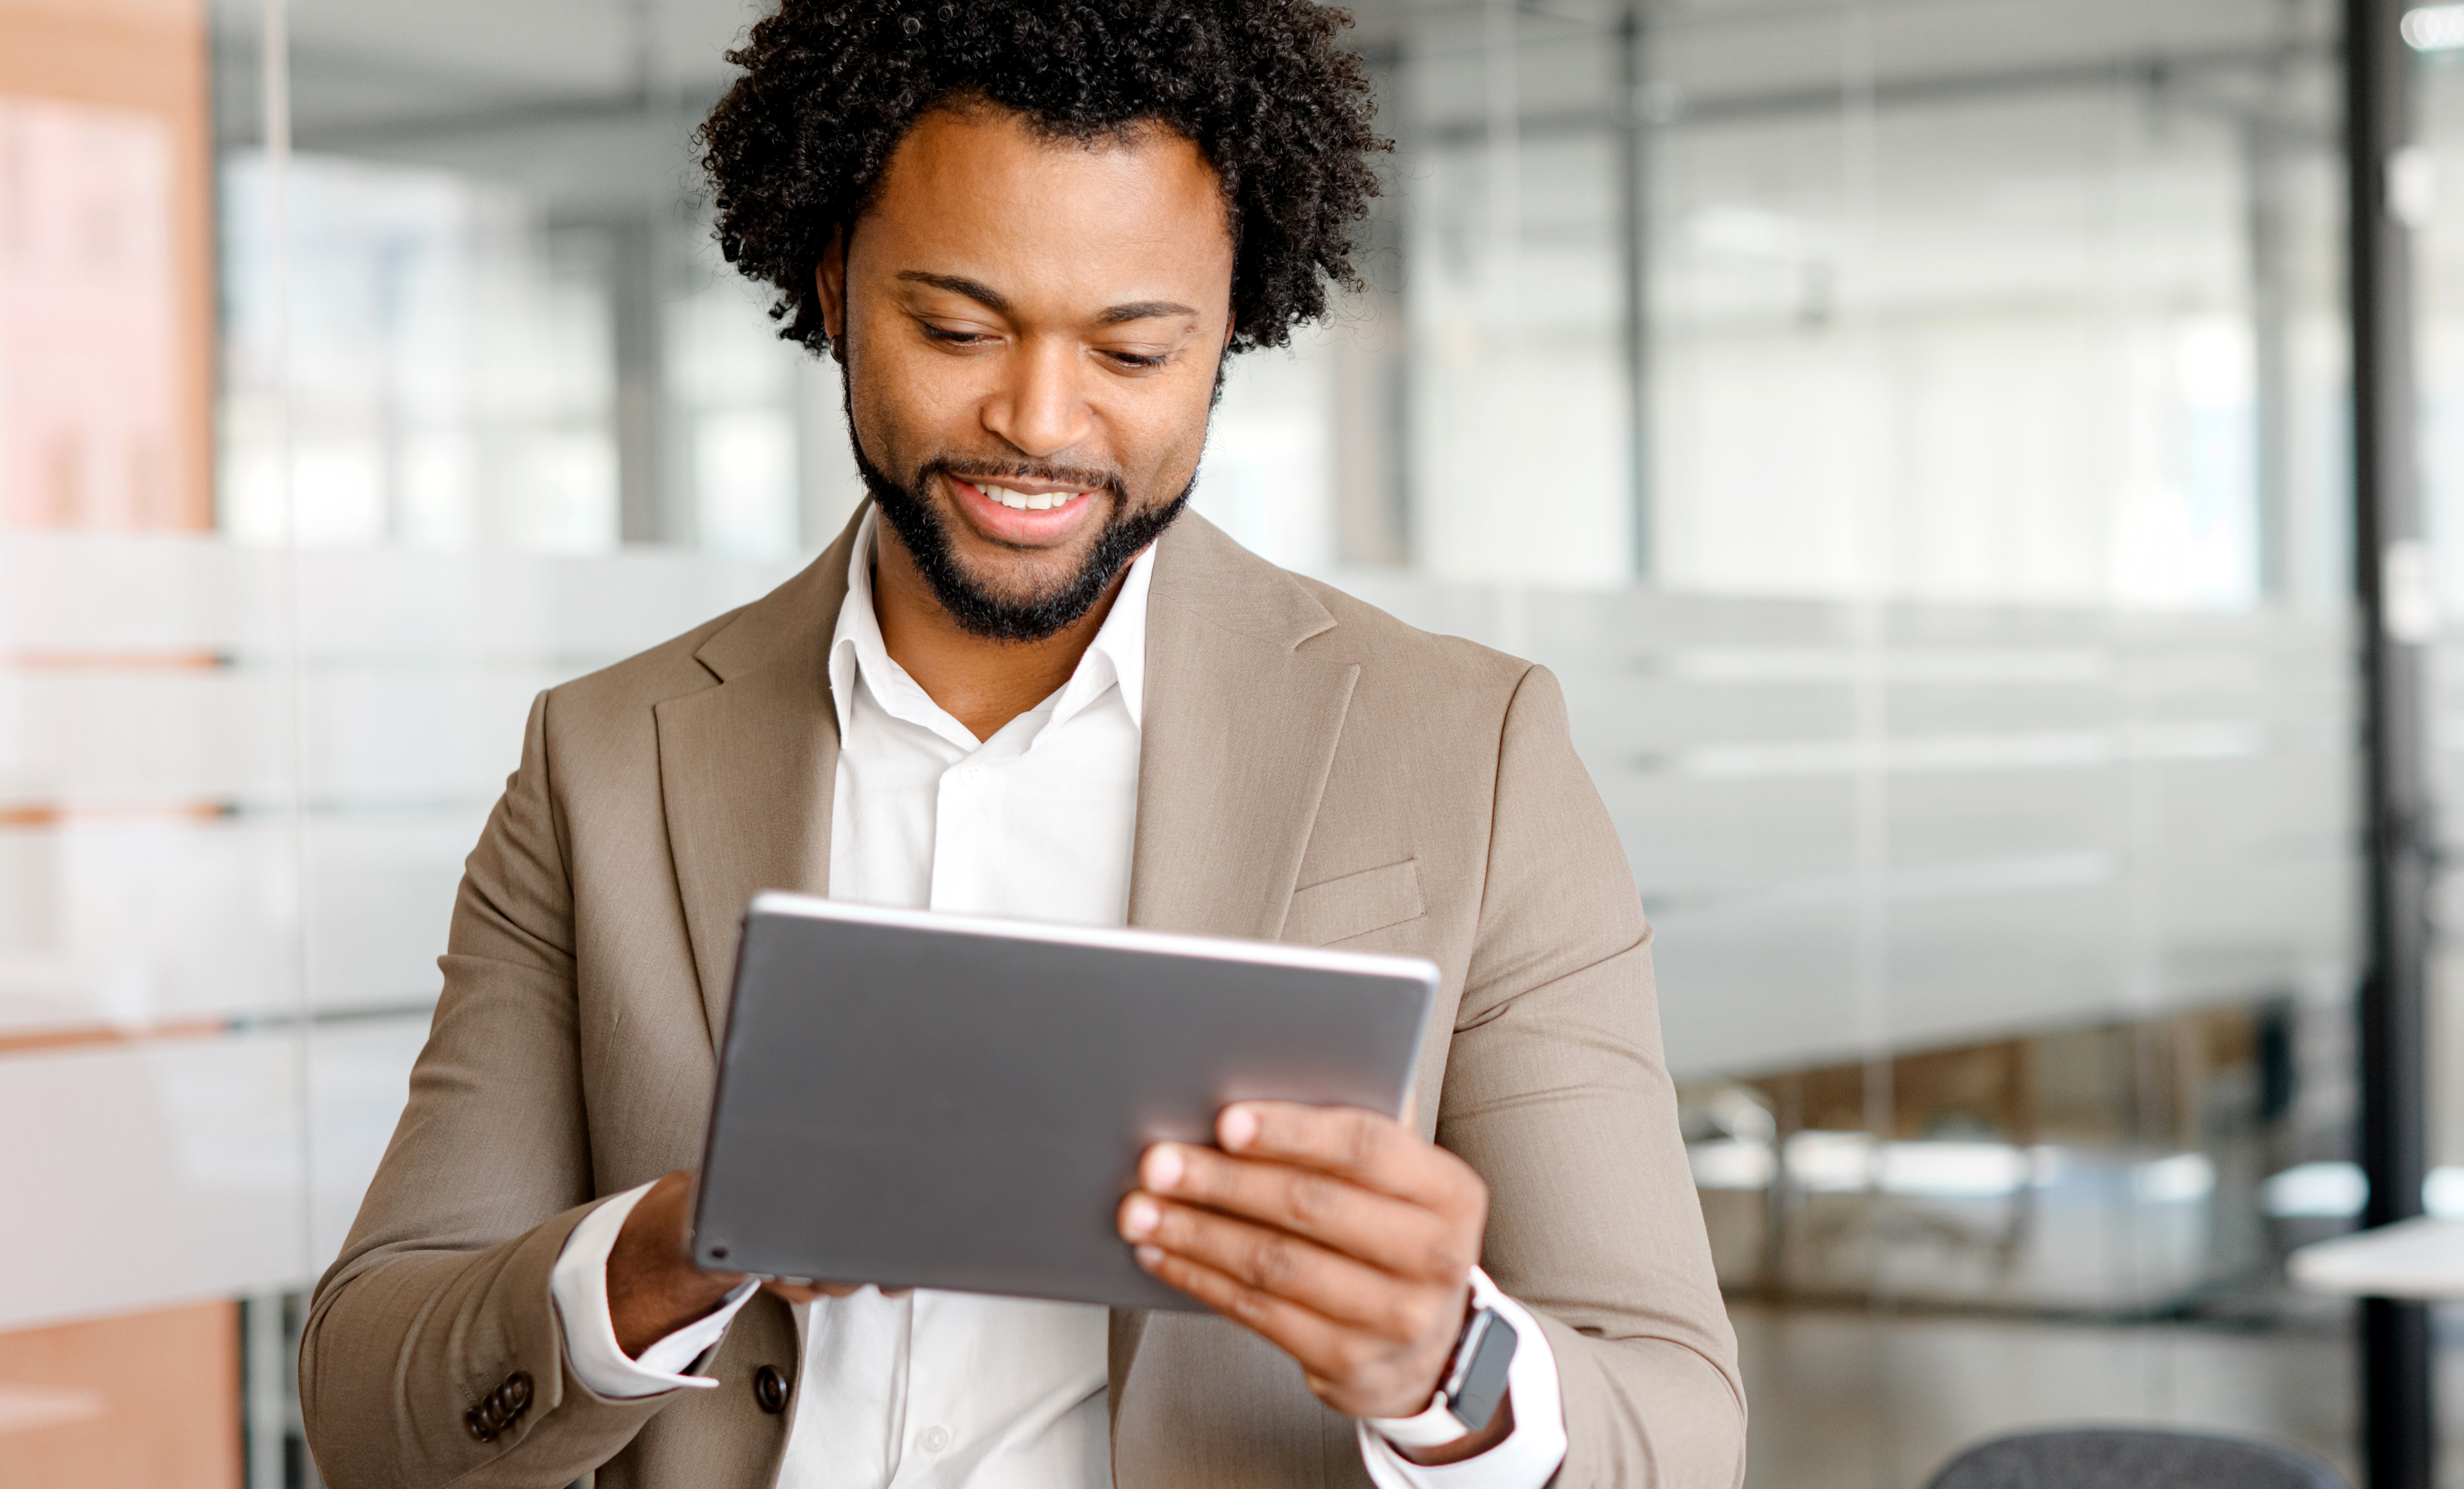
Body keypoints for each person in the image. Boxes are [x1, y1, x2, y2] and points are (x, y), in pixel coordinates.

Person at [295, 2, 1741, 1487]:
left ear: (1231, 326)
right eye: (956, 329)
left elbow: (1680, 1433)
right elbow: (366, 1411)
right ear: (833, 285)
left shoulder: (1469, 754)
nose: (1039, 422)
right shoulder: (607, 759)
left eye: (1134, 347)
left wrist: (1450, 1367)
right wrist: (672, 1249)